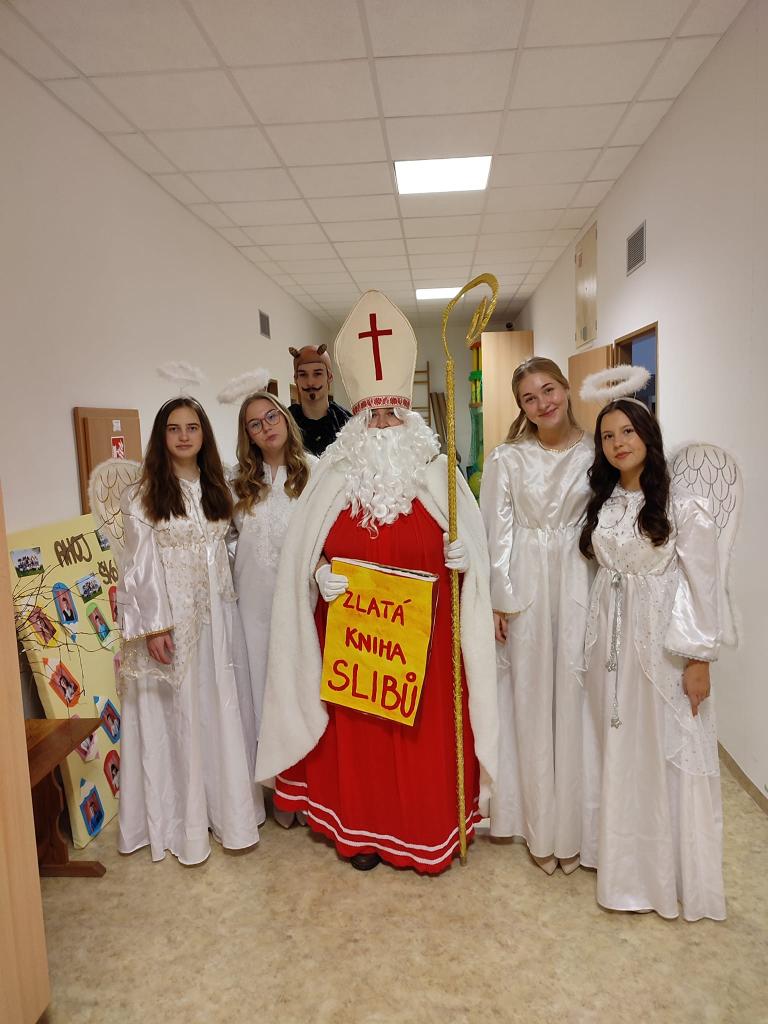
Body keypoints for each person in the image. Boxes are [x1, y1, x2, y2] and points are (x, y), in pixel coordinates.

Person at [256, 290, 498, 873]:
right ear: (357, 422)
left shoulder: (438, 472)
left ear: (409, 419)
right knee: (359, 737)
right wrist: (319, 574)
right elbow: (302, 553)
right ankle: (360, 831)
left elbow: (477, 552)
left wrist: (465, 559)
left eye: (392, 414)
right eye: (373, 416)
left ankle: (424, 829)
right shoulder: (331, 475)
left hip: (428, 641)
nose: (383, 425)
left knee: (421, 736)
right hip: (354, 639)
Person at [578, 393, 724, 920]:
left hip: (659, 647)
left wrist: (698, 659)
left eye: (627, 432)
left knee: (657, 749)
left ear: (648, 436)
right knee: (614, 746)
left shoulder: (683, 507)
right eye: (607, 436)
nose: (618, 443)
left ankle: (659, 873)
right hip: (607, 645)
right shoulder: (605, 500)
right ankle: (619, 861)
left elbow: (703, 587)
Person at [117, 397, 261, 865]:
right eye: (174, 428)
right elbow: (138, 565)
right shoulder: (144, 495)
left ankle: (229, 812)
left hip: (220, 614)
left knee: (221, 706)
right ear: (162, 436)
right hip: (174, 618)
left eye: (192, 427)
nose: (183, 436)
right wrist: (155, 626)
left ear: (204, 435)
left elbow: (232, 545)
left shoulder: (218, 485)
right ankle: (186, 820)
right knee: (183, 713)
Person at [479, 357, 593, 875]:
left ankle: (574, 830)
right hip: (524, 583)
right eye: (530, 397)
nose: (543, 402)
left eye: (549, 390)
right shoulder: (508, 458)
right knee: (528, 701)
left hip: (578, 579)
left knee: (575, 699)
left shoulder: (595, 453)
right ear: (521, 407)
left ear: (565, 388)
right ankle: (537, 826)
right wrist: (499, 599)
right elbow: (495, 533)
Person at [228, 383, 316, 823]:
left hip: (301, 600)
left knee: (299, 689)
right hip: (253, 604)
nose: (266, 428)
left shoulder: (315, 472)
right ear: (248, 435)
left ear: (285, 418)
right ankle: (279, 792)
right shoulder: (239, 483)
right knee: (262, 690)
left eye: (271, 417)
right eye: (254, 424)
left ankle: (309, 789)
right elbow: (225, 540)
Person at [288, 343, 351, 456]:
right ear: (296, 379)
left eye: (317, 374)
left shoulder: (348, 424)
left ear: (329, 377)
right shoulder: (285, 424)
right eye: (303, 375)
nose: (310, 382)